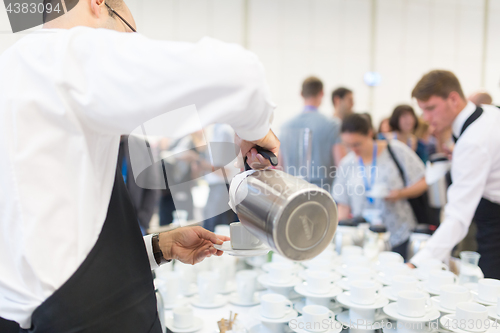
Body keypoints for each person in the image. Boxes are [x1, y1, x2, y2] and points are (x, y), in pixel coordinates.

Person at [0, 0, 280, 331]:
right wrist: (257, 132)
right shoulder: (60, 58)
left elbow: (44, 254)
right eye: (129, 35)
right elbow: (242, 76)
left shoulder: (16, 74)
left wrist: (158, 248)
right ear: (97, 4)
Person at [408, 70, 500, 279]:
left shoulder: (473, 142)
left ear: (453, 99)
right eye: (422, 110)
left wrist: (416, 263)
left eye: (431, 108)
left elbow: (458, 218)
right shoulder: (486, 112)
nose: (426, 118)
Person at [332, 114, 427, 259]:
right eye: (348, 145)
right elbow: (344, 205)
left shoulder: (396, 151)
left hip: (397, 234)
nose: (353, 149)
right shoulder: (347, 163)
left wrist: (401, 193)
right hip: (362, 239)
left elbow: (424, 181)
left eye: (357, 144)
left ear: (370, 133)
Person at [280, 77, 344, 189]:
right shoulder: (332, 125)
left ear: (301, 94)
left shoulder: (285, 127)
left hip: (291, 191)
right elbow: (341, 166)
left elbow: (279, 166)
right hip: (323, 193)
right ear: (322, 93)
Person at [118, 135, 160, 234]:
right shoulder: (100, 144)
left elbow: (152, 185)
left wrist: (143, 218)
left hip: (135, 219)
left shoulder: (141, 145)